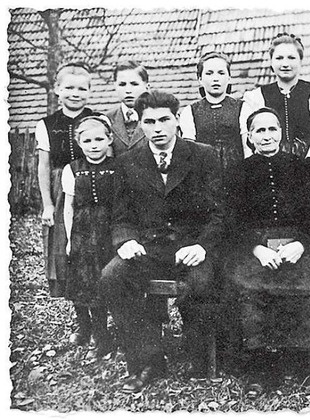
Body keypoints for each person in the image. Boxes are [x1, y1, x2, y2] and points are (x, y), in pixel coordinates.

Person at [100, 90, 225, 393]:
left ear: (176, 120)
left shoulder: (203, 155)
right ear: (140, 124)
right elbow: (121, 216)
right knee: (112, 276)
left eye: (164, 120)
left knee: (202, 280)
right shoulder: (128, 162)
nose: (157, 128)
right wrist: (126, 240)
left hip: (192, 246)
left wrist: (201, 246)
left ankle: (199, 361)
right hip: (150, 249)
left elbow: (220, 214)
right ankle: (147, 361)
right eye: (149, 121)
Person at [224, 107, 310, 399]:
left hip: (298, 243)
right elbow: (231, 220)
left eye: (272, 129)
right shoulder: (237, 171)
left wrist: (302, 244)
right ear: (249, 137)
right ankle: (260, 364)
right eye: (260, 130)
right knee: (252, 286)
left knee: (305, 283)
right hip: (253, 246)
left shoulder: (302, 167)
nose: (267, 136)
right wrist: (256, 249)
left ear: (281, 134)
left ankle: (305, 359)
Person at [36, 62, 94, 301]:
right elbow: (44, 166)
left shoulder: (97, 119)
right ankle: (81, 320)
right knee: (64, 249)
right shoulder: (46, 125)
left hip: (91, 184)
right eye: (69, 88)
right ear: (57, 90)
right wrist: (48, 204)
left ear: (89, 92)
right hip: (61, 190)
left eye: (82, 89)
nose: (75, 94)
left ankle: (97, 313)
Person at [61, 115, 117, 358]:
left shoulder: (118, 167)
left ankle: (102, 335)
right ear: (79, 143)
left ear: (109, 139)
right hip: (83, 232)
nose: (94, 145)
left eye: (99, 139)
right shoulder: (72, 169)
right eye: (87, 141)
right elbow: (69, 206)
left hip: (108, 232)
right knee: (81, 281)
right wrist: (70, 238)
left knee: (102, 282)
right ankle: (84, 327)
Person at [240, 33, 310, 161]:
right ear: (271, 62)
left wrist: (308, 164)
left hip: (309, 164)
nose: (285, 64)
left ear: (300, 61)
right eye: (279, 58)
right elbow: (248, 140)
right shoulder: (256, 97)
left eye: (291, 58)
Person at [179, 51, 244, 179]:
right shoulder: (190, 111)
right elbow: (189, 151)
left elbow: (248, 149)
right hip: (203, 176)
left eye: (221, 73)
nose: (215, 78)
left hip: (237, 175)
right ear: (200, 79)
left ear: (229, 78)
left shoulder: (243, 108)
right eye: (209, 73)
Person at [105, 60, 149, 156]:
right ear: (115, 86)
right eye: (122, 84)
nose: (128, 90)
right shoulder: (107, 119)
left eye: (134, 84)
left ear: (147, 87)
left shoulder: (157, 117)